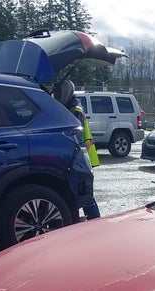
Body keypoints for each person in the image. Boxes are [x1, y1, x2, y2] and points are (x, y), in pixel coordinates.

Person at [52, 79, 101, 220]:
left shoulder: (75, 109)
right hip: (76, 156)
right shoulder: (67, 106)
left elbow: (74, 134)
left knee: (85, 194)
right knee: (79, 191)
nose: (55, 96)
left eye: (58, 92)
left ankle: (96, 221)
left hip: (80, 156)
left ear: (65, 92)